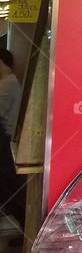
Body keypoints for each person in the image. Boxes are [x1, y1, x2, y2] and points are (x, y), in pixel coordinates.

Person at [0, 48, 24, 230]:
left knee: (10, 189)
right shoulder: (8, 82)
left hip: (6, 142)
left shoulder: (7, 84)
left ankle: (26, 228)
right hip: (8, 141)